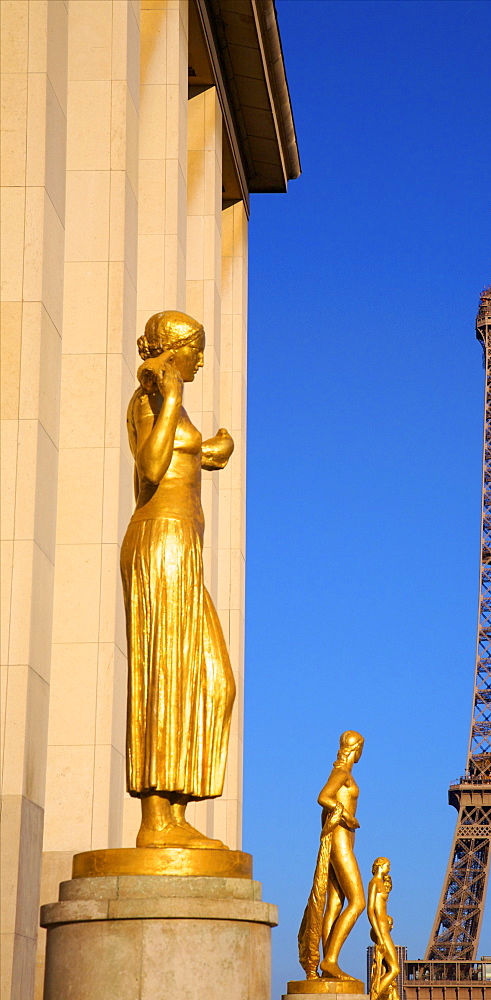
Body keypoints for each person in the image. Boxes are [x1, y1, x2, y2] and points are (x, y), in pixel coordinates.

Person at [121, 310, 235, 849]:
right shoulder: (149, 400)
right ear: (175, 349)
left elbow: (182, 458)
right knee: (167, 672)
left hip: (183, 546)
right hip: (160, 539)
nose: (202, 360)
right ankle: (156, 821)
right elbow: (150, 466)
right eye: (196, 349)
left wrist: (213, 449)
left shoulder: (171, 404)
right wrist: (168, 400)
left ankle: (176, 810)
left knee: (213, 682)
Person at [298, 731, 366, 981]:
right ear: (356, 748)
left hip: (344, 840)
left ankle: (328, 962)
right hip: (340, 840)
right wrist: (345, 815)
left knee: (335, 903)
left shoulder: (345, 773)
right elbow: (323, 797)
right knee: (358, 901)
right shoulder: (342, 773)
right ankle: (330, 959)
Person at [368, 858, 400, 1000]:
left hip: (383, 927)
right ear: (380, 866)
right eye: (388, 866)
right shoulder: (374, 883)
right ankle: (373, 996)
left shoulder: (381, 883)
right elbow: (370, 910)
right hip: (380, 929)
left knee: (390, 968)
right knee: (395, 969)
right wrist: (379, 934)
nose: (389, 869)